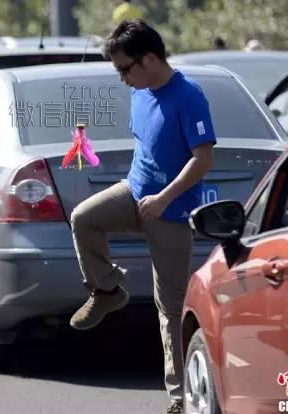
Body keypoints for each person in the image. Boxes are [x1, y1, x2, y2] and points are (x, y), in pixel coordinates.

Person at [68, 20, 216, 414]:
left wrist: (165, 198)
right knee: (84, 218)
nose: (122, 78)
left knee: (170, 309)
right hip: (134, 193)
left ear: (149, 58)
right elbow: (146, 149)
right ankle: (107, 290)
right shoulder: (141, 92)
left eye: (125, 69)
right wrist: (140, 191)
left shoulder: (188, 96)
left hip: (171, 210)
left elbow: (203, 159)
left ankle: (181, 399)